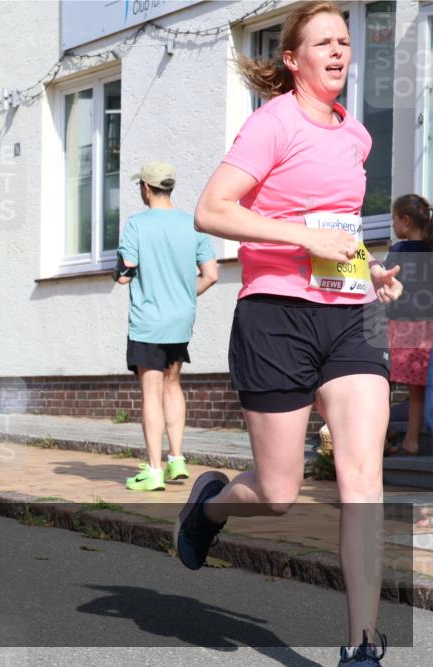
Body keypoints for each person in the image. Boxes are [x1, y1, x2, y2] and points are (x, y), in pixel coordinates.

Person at [175, 3, 402, 665]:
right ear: (294, 60)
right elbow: (212, 209)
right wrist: (303, 236)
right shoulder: (271, 125)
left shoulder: (356, 136)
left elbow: (339, 233)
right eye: (322, 42)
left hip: (350, 314)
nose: (338, 50)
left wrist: (371, 271)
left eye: (344, 40)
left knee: (363, 476)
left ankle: (362, 643)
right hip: (275, 316)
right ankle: (210, 509)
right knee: (277, 492)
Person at [115, 160, 218, 491]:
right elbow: (211, 275)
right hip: (180, 320)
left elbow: (123, 274)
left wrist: (123, 271)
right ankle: (176, 459)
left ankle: (154, 471)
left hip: (148, 322)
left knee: (151, 392)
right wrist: (186, 294)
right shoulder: (193, 224)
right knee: (173, 386)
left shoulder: (137, 225)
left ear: (145, 188)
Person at [384, 194, 433, 456]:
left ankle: (383, 433)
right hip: (427, 326)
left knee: (385, 381)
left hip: (402, 324)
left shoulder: (398, 252)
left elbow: (384, 285)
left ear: (405, 220)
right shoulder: (430, 248)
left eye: (392, 219)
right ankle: (411, 439)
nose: (392, 225)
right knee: (418, 387)